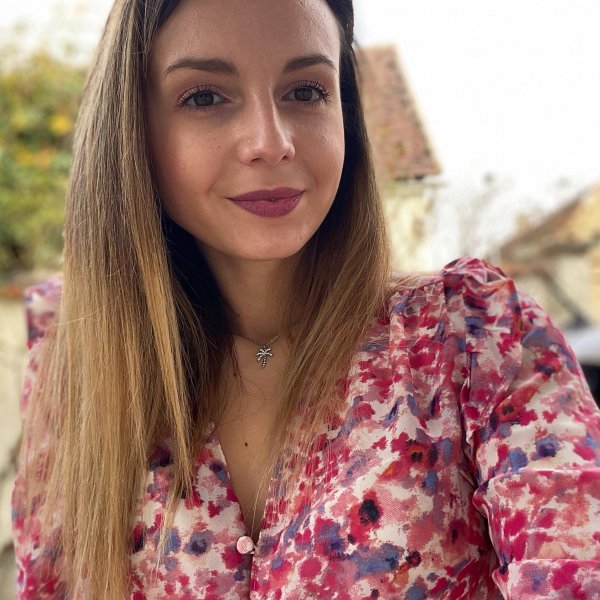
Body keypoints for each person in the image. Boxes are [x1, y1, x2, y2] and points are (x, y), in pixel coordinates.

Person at [11, 0, 600, 598]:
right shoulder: (75, 368)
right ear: (132, 130)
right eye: (205, 97)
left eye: (306, 91)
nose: (270, 143)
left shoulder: (477, 340)